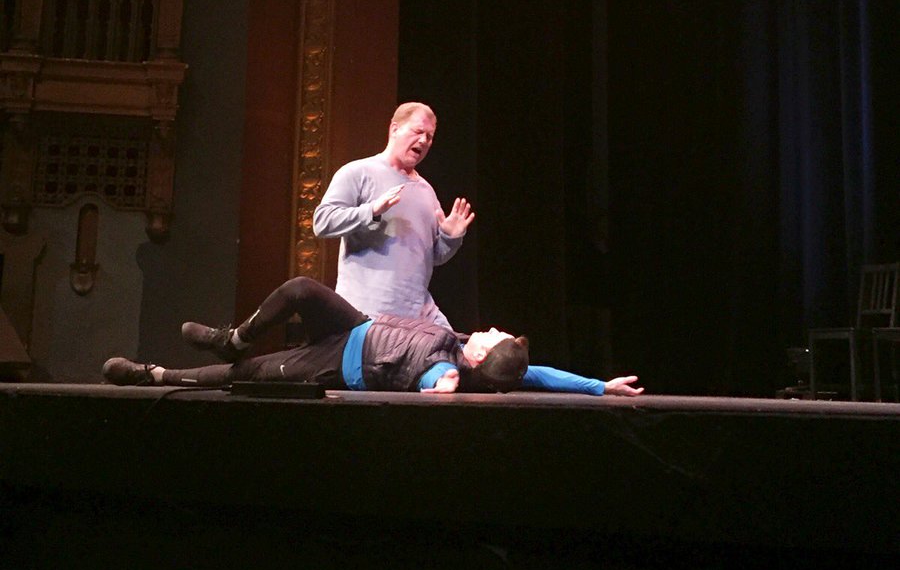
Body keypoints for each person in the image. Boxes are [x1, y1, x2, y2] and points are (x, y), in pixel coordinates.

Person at [101, 275, 644, 398]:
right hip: (354, 325)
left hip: (337, 364)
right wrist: (599, 386)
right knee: (301, 288)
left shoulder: (448, 368)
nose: (495, 327)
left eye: (496, 335)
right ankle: (234, 337)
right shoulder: (462, 347)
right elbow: (539, 374)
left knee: (242, 378)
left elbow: (437, 383)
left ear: (481, 356)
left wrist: (443, 389)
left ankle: (154, 375)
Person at [312, 102, 474, 329]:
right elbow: (322, 222)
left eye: (429, 137)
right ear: (394, 129)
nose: (424, 141)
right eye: (418, 131)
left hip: (418, 313)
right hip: (369, 314)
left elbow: (433, 257)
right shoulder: (358, 172)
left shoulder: (427, 192)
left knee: (465, 349)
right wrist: (371, 211)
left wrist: (450, 237)